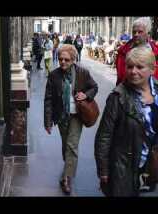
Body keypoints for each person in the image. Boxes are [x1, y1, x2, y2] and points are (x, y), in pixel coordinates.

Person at [95, 47, 158, 196]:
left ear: (152, 69)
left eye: (139, 67)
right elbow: (104, 136)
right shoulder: (117, 96)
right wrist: (103, 170)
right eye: (129, 67)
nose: (133, 71)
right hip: (123, 166)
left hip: (151, 164)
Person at [44, 44, 98, 195]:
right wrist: (47, 122)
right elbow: (48, 100)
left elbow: (94, 87)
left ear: (73, 60)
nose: (62, 62)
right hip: (61, 116)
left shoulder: (83, 73)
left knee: (72, 145)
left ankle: (67, 178)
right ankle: (68, 164)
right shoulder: (54, 75)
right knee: (65, 144)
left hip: (77, 116)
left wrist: (86, 95)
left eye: (66, 60)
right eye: (60, 59)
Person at [116, 17, 158, 86]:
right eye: (134, 32)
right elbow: (120, 76)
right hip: (128, 91)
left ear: (148, 34)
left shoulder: (155, 51)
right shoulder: (123, 51)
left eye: (140, 32)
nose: (136, 34)